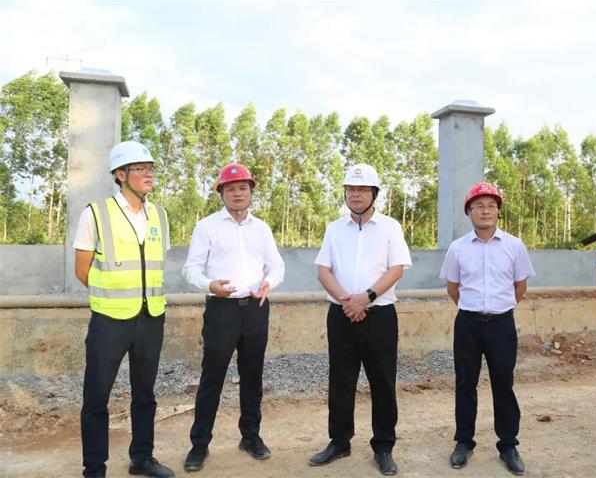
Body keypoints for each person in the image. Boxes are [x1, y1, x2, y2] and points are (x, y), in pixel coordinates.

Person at [73, 141, 174, 478]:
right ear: (120, 174)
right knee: (97, 396)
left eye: (151, 168)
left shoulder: (160, 215)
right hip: (109, 321)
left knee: (145, 393)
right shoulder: (95, 213)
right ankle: (94, 468)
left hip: (151, 318)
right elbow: (83, 271)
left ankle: (142, 458)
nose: (149, 173)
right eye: (140, 168)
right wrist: (112, 297)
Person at [308, 163, 412, 476]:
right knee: (341, 380)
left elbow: (397, 268)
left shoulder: (390, 227)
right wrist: (346, 300)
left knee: (383, 382)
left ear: (374, 193)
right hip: (341, 315)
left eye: (363, 189)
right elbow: (323, 271)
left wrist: (365, 297)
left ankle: (384, 446)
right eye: (351, 189)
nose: (356, 194)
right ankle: (340, 441)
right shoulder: (334, 228)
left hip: (379, 316)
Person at [182, 163, 285, 472]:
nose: (238, 193)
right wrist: (210, 285)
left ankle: (250, 436)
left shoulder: (261, 229)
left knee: (252, 376)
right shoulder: (207, 227)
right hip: (221, 309)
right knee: (212, 377)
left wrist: (269, 283)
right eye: (231, 189)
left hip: (255, 308)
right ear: (221, 193)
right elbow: (190, 269)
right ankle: (200, 443)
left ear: (251, 192)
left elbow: (276, 265)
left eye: (243, 188)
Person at [439, 181, 534, 476]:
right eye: (479, 206)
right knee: (465, 383)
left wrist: (498, 307)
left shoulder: (514, 246)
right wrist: (473, 307)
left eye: (491, 206)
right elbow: (453, 288)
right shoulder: (457, 248)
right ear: (469, 212)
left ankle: (508, 445)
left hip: (502, 324)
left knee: (503, 384)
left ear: (498, 211)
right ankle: (464, 442)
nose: (485, 211)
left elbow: (520, 287)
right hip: (468, 324)